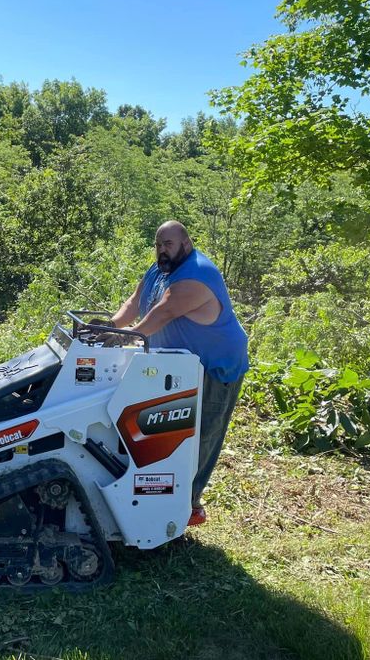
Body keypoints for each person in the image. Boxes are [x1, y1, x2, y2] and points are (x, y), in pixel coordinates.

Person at [97, 220, 248, 526]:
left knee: (201, 435)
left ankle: (186, 506)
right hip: (177, 366)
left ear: (186, 244)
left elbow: (164, 311)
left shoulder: (197, 273)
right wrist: (110, 327)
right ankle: (156, 493)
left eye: (168, 244)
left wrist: (130, 336)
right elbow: (134, 303)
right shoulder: (158, 271)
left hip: (214, 366)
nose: (162, 250)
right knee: (166, 430)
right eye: (158, 244)